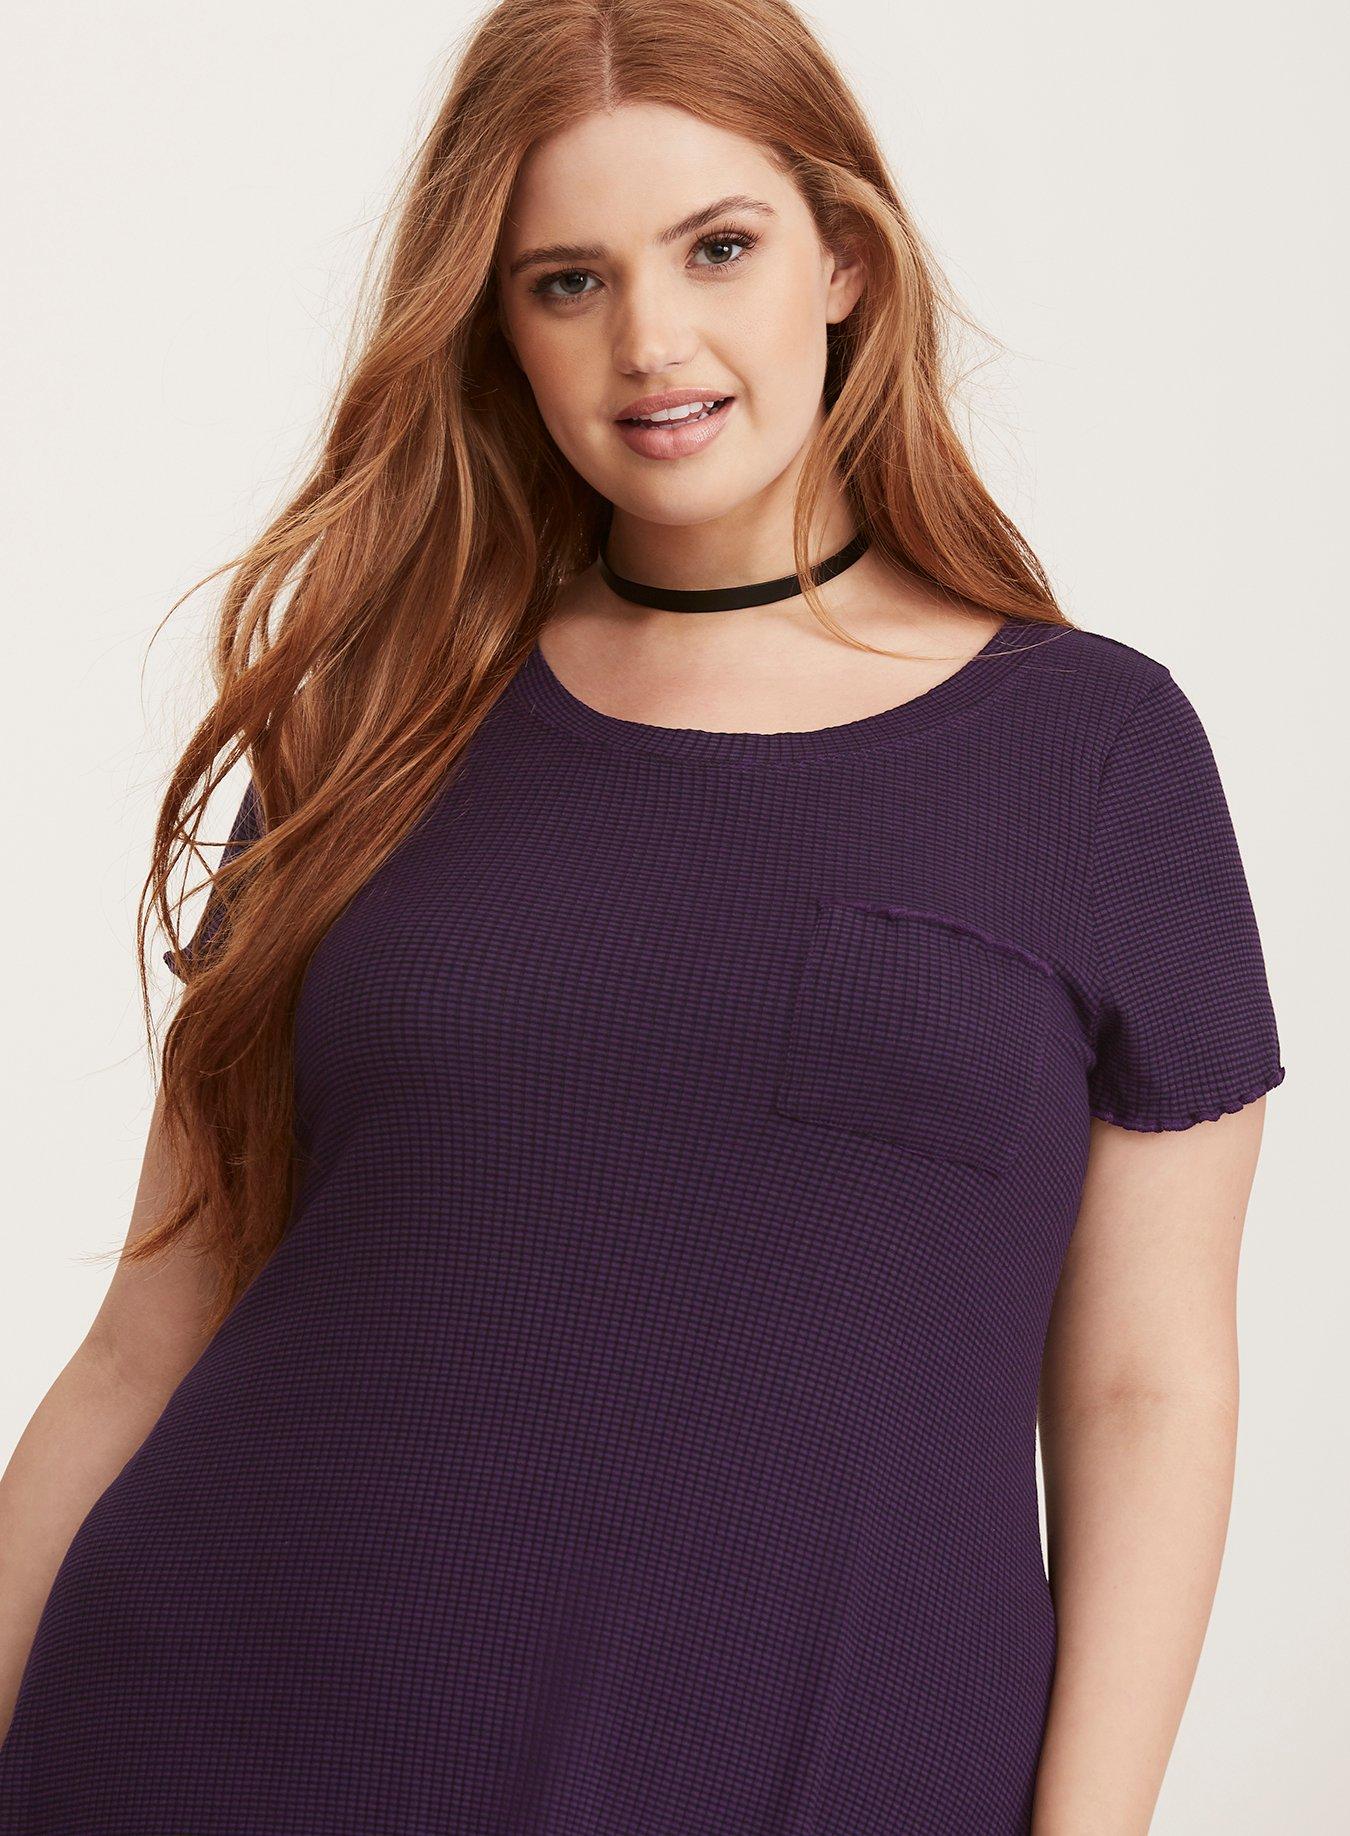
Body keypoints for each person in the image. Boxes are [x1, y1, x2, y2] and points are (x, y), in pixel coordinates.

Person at [0, 1, 1285, 1830]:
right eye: (568, 281)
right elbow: (151, 1332)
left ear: (845, 260)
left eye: (719, 248)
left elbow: (1150, 1387)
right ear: (497, 325)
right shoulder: (375, 729)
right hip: (229, 1740)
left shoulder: (1092, 751)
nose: (651, 342)